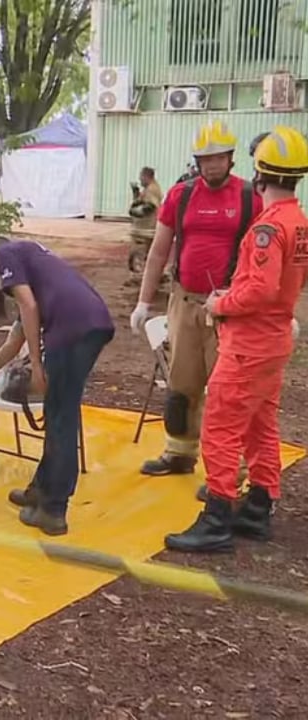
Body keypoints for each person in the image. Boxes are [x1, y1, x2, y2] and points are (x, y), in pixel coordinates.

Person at [165, 126, 308, 553]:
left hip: (248, 342)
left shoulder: (267, 228)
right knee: (261, 425)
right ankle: (259, 505)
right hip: (273, 338)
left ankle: (218, 516)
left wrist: (220, 304)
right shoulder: (299, 223)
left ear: (260, 172)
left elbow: (260, 289)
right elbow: (287, 283)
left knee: (221, 426)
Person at [129, 121, 261, 498]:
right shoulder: (180, 196)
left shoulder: (250, 198)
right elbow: (158, 250)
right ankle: (179, 452)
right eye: (205, 159)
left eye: (218, 158)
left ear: (231, 159)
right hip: (184, 302)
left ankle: (227, 472)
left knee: (226, 391)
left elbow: (267, 258)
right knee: (181, 384)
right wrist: (143, 302)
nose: (211, 165)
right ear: (197, 161)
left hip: (230, 309)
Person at [0, 236, 115, 535]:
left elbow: (28, 305)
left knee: (61, 417)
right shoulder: (31, 263)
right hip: (91, 322)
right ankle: (40, 488)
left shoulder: (6, 254)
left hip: (72, 329)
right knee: (57, 409)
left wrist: (36, 364)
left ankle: (53, 509)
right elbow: (16, 339)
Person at [126, 166, 164, 279]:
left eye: (141, 177)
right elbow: (142, 201)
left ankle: (141, 276)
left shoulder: (152, 189)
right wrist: (136, 193)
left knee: (138, 253)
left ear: (147, 176)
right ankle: (150, 275)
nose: (140, 179)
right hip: (143, 229)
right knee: (145, 254)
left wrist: (136, 212)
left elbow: (150, 206)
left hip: (146, 230)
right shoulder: (149, 188)